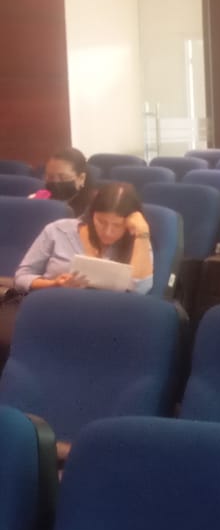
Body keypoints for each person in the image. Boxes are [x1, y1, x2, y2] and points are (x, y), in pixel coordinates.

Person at [0, 182, 155, 368]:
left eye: (117, 225)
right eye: (101, 222)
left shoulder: (137, 241)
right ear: (91, 214)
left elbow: (141, 289)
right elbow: (22, 276)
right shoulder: (58, 230)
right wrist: (54, 284)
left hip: (105, 321)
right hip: (52, 312)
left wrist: (143, 234)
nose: (108, 231)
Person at [27, 148, 94, 215]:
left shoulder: (94, 207)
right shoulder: (39, 198)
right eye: (50, 177)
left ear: (81, 178)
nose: (56, 182)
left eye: (63, 177)